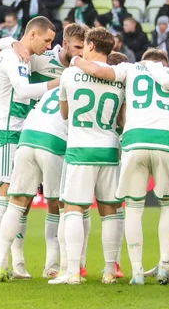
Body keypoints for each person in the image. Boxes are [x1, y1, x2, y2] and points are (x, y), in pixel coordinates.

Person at [71, 48, 169, 285]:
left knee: (134, 207)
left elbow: (95, 70)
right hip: (167, 141)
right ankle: (165, 266)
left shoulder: (130, 68)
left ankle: (137, 271)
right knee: (168, 204)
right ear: (164, 63)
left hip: (134, 140)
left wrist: (74, 59)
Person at [0, 16, 58, 281]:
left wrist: (12, 41)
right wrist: (59, 84)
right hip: (4, 132)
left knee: (20, 201)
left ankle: (15, 263)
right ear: (33, 34)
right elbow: (23, 91)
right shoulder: (10, 56)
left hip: (18, 131)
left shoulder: (23, 55)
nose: (49, 46)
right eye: (47, 40)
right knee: (3, 199)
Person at [52, 27, 124, 285]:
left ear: (91, 46)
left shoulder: (70, 74)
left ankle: (72, 272)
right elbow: (122, 119)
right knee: (110, 211)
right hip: (109, 148)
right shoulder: (119, 77)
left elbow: (64, 114)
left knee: (73, 209)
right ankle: (109, 271)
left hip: (80, 148)